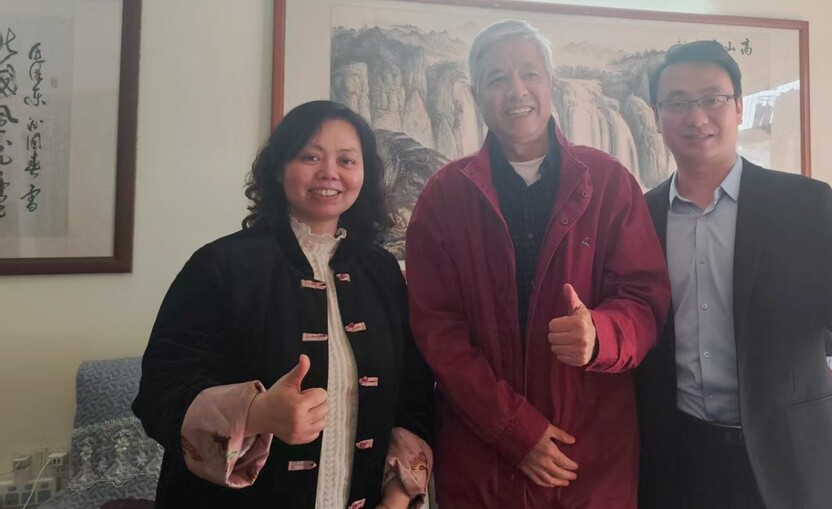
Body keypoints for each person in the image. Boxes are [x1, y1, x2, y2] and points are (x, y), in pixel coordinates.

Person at [635, 41, 832, 508]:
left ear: (739, 107)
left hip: (797, 462)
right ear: (657, 116)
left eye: (712, 98)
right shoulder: (640, 217)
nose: (696, 116)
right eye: (677, 103)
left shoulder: (803, 205)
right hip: (682, 463)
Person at [404, 19, 671, 509]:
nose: (516, 91)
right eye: (497, 78)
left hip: (588, 461)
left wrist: (599, 334)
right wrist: (514, 429)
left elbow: (644, 301)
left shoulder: (609, 183)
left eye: (529, 73)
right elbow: (438, 330)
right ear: (475, 94)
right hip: (482, 463)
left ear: (551, 83)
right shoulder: (444, 197)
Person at [133, 100, 434, 509]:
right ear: (278, 168)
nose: (329, 172)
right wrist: (256, 413)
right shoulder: (220, 265)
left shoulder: (382, 272)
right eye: (310, 156)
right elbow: (160, 392)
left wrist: (397, 497)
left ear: (364, 175)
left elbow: (414, 395)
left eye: (347, 160)